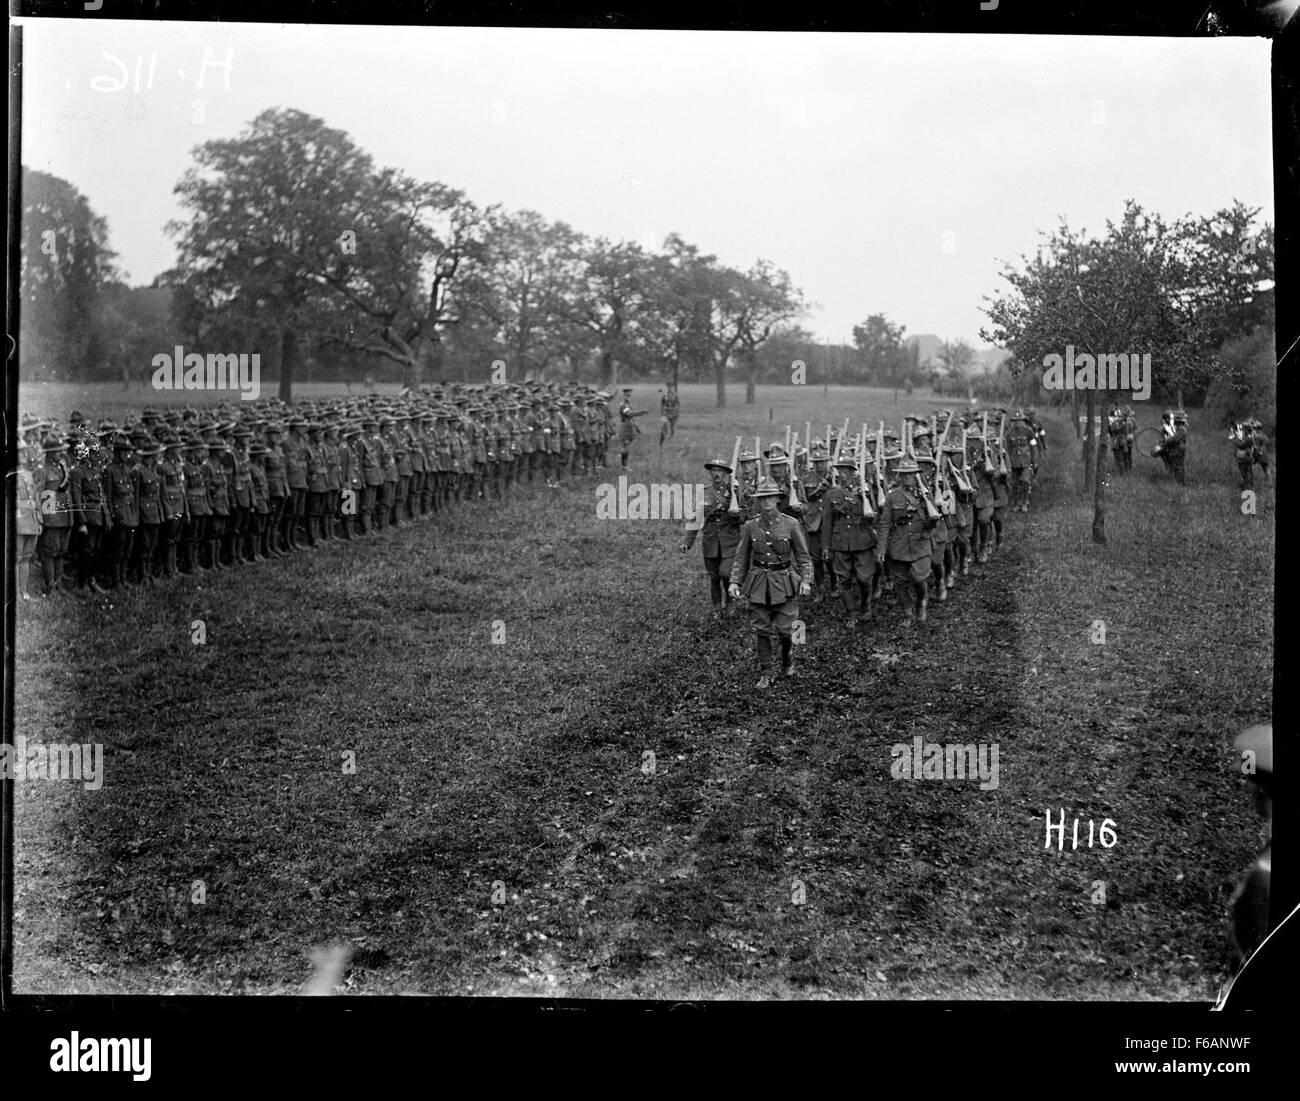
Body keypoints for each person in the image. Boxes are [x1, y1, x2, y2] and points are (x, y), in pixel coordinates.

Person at [729, 479, 813, 688]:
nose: (766, 501)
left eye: (770, 497)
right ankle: (766, 672)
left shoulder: (791, 524)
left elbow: (804, 556)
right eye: (762, 498)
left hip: (785, 581)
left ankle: (789, 655)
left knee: (791, 629)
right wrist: (734, 582)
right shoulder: (750, 525)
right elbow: (741, 557)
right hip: (758, 582)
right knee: (761, 630)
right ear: (758, 501)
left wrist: (806, 580)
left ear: (777, 499)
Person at [876, 457, 938, 625]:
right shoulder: (892, 496)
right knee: (901, 582)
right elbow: (885, 524)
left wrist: (930, 512)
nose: (908, 478)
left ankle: (921, 602)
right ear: (900, 477)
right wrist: (881, 549)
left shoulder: (925, 493)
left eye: (911, 474)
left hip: (920, 542)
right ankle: (908, 612)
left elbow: (934, 519)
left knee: (919, 578)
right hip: (899, 544)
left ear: (916, 475)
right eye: (905, 475)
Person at [680, 457, 743, 618]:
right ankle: (717, 609)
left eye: (720, 471)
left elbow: (745, 517)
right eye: (713, 471)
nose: (716, 474)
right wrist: (687, 542)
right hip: (711, 542)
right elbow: (695, 518)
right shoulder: (705, 492)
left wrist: (736, 514)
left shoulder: (735, 492)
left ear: (726, 474)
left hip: (730, 542)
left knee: (726, 574)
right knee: (714, 577)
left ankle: (730, 604)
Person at [823, 453, 879, 626]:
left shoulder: (864, 490)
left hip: (861, 540)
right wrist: (826, 545)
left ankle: (865, 604)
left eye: (846, 470)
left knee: (864, 578)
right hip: (840, 542)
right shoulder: (832, 494)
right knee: (843, 580)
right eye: (840, 470)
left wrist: (864, 499)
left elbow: (874, 516)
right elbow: (827, 521)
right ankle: (851, 613)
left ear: (853, 471)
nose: (842, 473)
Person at [16, 440, 42, 600]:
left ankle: (23, 592)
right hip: (18, 523)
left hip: (31, 522)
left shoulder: (28, 475)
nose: (24, 455)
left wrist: (39, 520)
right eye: (20, 452)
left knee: (26, 558)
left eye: (24, 452)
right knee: (16, 558)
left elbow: (36, 499)